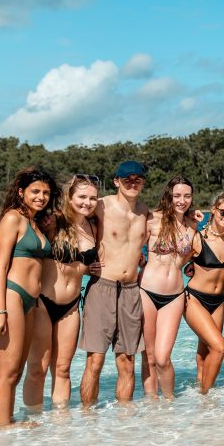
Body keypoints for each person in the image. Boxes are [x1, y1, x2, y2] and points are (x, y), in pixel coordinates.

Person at [0, 168, 58, 427]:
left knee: (17, 371)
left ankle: (10, 422)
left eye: (46, 193)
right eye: (35, 191)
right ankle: (3, 432)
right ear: (21, 192)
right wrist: (0, 310)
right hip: (11, 296)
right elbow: (0, 265)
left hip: (30, 300)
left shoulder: (36, 223)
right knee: (7, 372)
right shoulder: (13, 218)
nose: (41, 197)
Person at [23, 174, 100, 409]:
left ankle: (61, 427)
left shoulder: (94, 226)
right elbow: (28, 248)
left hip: (72, 306)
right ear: (70, 196)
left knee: (63, 368)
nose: (87, 202)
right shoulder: (52, 221)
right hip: (44, 302)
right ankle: (33, 420)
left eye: (92, 198)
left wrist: (90, 268)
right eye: (82, 197)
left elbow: (77, 266)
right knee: (39, 368)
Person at [78, 160, 149, 406]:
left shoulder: (145, 212)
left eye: (137, 179)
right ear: (117, 181)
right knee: (95, 360)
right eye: (127, 179)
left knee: (127, 362)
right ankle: (88, 418)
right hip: (102, 287)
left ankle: (124, 426)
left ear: (142, 183)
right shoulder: (101, 205)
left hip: (131, 291)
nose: (132, 183)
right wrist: (81, 266)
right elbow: (68, 217)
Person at [139, 176, 198, 399]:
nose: (182, 200)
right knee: (149, 356)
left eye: (186, 196)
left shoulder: (192, 225)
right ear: (169, 196)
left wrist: (185, 266)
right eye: (177, 196)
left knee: (163, 357)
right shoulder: (153, 220)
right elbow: (134, 248)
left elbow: (190, 254)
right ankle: (152, 404)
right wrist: (142, 265)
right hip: (147, 291)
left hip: (174, 296)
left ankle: (170, 403)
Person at [184, 192, 224, 394]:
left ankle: (201, 393)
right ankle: (206, 395)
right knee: (219, 347)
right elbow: (174, 264)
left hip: (218, 301)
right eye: (223, 212)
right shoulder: (198, 238)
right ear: (214, 210)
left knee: (205, 351)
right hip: (194, 299)